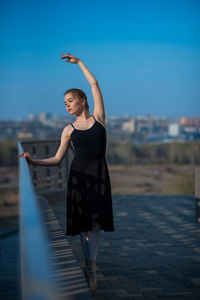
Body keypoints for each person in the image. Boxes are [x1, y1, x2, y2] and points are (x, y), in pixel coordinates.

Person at [18, 52, 115, 291]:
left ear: (82, 100)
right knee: (84, 225)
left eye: (70, 100)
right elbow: (57, 159)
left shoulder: (100, 119)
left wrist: (80, 63)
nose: (67, 104)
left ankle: (90, 264)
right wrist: (34, 161)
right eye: (65, 103)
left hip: (100, 176)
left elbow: (94, 84)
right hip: (79, 178)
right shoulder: (68, 130)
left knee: (96, 224)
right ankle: (90, 266)